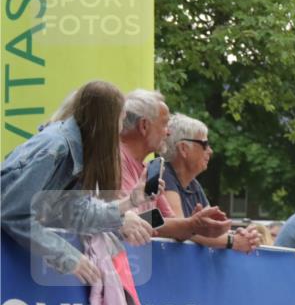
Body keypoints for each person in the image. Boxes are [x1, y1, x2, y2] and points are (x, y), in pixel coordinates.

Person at [1, 80, 154, 284]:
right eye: (120, 120)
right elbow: (13, 213)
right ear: (106, 123)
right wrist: (68, 256)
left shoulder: (77, 152)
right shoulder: (54, 148)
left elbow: (77, 213)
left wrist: (130, 202)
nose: (120, 131)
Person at [119, 90, 231, 242]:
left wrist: (191, 224)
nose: (169, 133)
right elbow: (128, 221)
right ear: (144, 126)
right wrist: (190, 225)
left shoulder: (150, 169)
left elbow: (166, 221)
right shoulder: (115, 159)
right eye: (164, 124)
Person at [160, 114, 260, 253]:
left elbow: (213, 229)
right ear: (183, 148)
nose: (210, 151)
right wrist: (233, 241)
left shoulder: (193, 184)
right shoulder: (163, 174)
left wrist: (240, 235)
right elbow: (179, 227)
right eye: (204, 144)